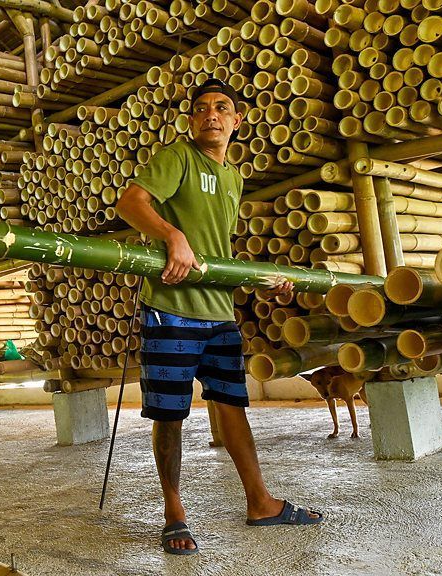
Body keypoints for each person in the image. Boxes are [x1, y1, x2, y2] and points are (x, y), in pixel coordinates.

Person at [115, 79, 323, 556]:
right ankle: (174, 512)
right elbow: (130, 203)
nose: (211, 114)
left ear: (236, 120)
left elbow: (216, 252)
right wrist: (172, 235)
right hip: (171, 311)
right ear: (192, 120)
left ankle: (260, 502)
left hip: (219, 312)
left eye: (221, 108)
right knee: (169, 415)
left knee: (232, 406)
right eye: (202, 109)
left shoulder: (233, 178)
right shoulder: (177, 158)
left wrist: (261, 277)